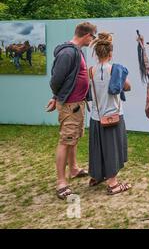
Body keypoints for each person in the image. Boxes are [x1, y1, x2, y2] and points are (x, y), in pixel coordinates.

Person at [46, 22, 97, 200]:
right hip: (70, 105)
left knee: (73, 138)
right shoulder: (68, 53)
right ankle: (61, 182)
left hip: (77, 104)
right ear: (87, 35)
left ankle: (74, 169)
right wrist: (56, 96)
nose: (93, 40)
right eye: (93, 36)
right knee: (65, 140)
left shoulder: (77, 51)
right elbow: (55, 79)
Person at [88, 32, 132, 195]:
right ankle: (113, 184)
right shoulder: (116, 69)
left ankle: (96, 176)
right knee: (112, 148)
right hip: (113, 115)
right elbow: (127, 86)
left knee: (97, 148)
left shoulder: (90, 70)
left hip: (96, 117)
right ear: (110, 53)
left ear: (97, 53)